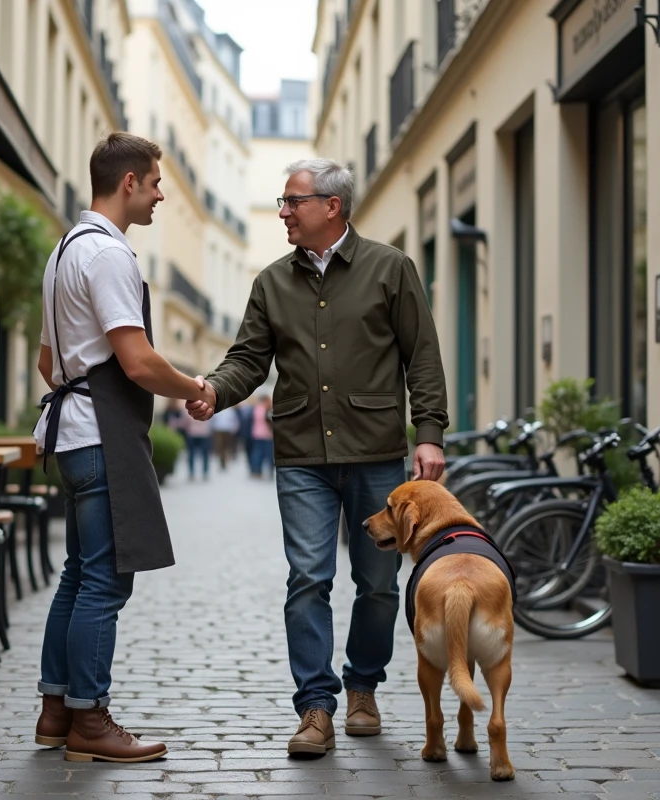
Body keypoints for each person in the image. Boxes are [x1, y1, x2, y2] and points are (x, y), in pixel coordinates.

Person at [186, 158, 448, 756]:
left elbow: (422, 355)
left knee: (377, 582)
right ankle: (315, 706)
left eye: (292, 201)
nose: (283, 211)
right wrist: (215, 392)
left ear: (331, 206)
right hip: (302, 453)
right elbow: (248, 359)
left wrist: (429, 432)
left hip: (376, 452)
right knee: (308, 577)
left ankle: (363, 688)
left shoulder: (390, 267)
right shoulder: (271, 283)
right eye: (282, 201)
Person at [32, 132, 216, 763]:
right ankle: (89, 719)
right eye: (156, 183)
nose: (162, 195)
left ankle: (56, 711)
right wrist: (194, 388)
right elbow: (137, 361)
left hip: (72, 436)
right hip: (101, 436)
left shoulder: (63, 251)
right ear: (129, 182)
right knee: (106, 584)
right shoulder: (109, 254)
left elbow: (47, 363)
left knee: (78, 576)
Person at [248, 395, 274, 478]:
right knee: (266, 454)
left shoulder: (256, 409)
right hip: (266, 435)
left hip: (257, 434)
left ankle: (256, 470)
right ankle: (263, 470)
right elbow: (269, 420)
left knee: (257, 453)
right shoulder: (266, 410)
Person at [182, 411, 213, 480]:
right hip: (203, 433)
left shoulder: (189, 409)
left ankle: (192, 473)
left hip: (193, 433)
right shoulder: (206, 408)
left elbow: (185, 423)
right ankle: (204, 472)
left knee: (192, 454)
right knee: (204, 454)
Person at [210, 406, 240, 470]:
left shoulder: (230, 410)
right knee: (220, 446)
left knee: (227, 447)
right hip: (219, 430)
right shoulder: (217, 409)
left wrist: (234, 429)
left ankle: (226, 460)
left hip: (227, 430)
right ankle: (222, 461)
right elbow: (213, 420)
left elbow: (234, 420)